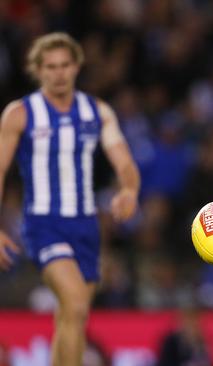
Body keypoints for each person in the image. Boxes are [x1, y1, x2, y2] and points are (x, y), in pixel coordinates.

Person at [0, 32, 140, 366]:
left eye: (64, 65)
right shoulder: (20, 114)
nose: (58, 73)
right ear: (38, 70)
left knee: (72, 317)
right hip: (43, 225)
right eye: (51, 66)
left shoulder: (97, 112)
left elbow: (123, 160)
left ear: (76, 66)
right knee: (75, 302)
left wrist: (129, 189)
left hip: (86, 227)